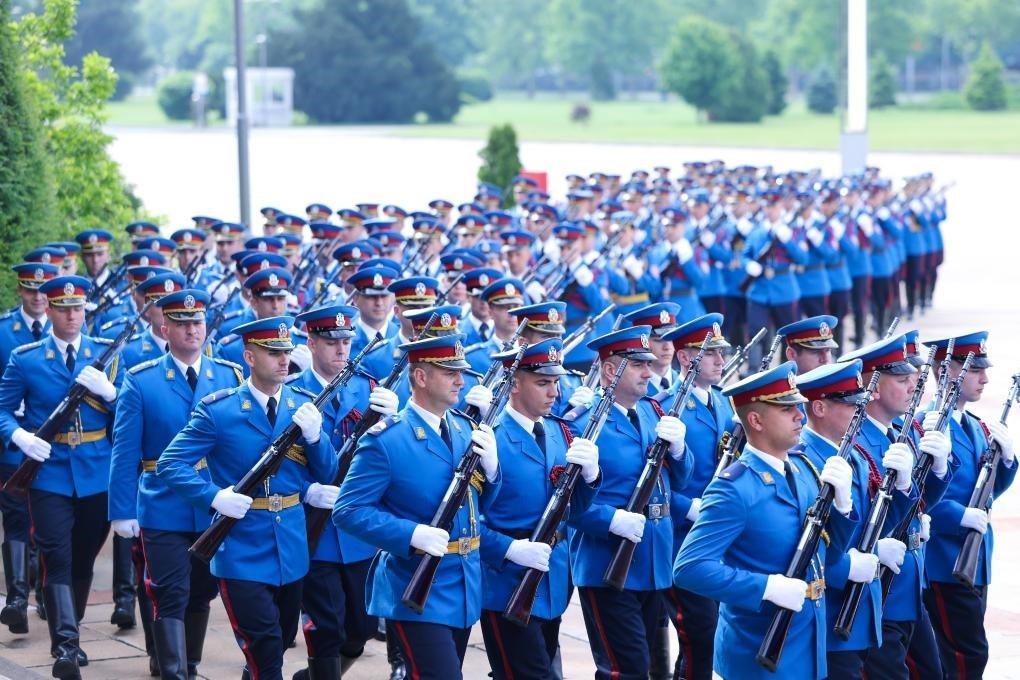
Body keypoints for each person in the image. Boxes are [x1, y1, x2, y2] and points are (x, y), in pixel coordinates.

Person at [157, 316, 337, 680]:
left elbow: (328, 472)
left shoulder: (303, 406)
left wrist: (316, 438)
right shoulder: (219, 410)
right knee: (265, 647)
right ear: (250, 357)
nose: (284, 360)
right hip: (240, 544)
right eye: (273, 353)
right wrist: (213, 496)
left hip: (290, 544)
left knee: (279, 641)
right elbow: (170, 464)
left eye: (286, 352)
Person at [673, 361, 858, 680]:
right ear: (756, 420)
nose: (800, 416)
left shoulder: (804, 471)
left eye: (798, 407)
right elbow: (690, 568)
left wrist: (843, 509)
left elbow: (827, 554)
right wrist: (766, 587)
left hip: (806, 644)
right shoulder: (734, 488)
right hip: (756, 651)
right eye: (787, 410)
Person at [334, 334, 502, 679]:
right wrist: (411, 534)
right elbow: (348, 511)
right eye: (450, 372)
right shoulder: (387, 440)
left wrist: (494, 473)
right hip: (414, 585)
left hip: (463, 582)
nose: (461, 381)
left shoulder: (465, 429)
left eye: (460, 372)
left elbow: (479, 504)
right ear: (421, 377)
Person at [108, 289, 243, 680]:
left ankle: (190, 664)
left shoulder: (229, 375)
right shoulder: (142, 380)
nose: (192, 330)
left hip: (212, 501)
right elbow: (125, 451)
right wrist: (122, 511)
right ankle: (174, 672)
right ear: (165, 329)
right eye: (182, 324)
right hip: (162, 502)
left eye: (197, 322)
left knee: (201, 592)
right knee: (170, 592)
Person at [0, 275, 123, 678]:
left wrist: (110, 393)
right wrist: (19, 436)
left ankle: (71, 628)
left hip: (97, 470)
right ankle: (66, 645)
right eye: (64, 308)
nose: (72, 316)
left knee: (84, 559)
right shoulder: (27, 358)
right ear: (50, 310)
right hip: (49, 471)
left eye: (78, 309)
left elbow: (131, 414)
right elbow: (2, 409)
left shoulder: (105, 353)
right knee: (57, 556)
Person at [566, 325, 692, 680]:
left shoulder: (653, 412)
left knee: (646, 665)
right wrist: (611, 520)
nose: (648, 372)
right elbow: (566, 503)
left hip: (653, 557)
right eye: (638, 365)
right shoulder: (583, 424)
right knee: (625, 670)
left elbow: (679, 480)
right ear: (610, 370)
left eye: (648, 364)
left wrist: (680, 451)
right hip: (608, 563)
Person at [288, 304, 400, 680]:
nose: (340, 349)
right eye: (330, 342)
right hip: (312, 528)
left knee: (360, 630)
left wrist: (394, 420)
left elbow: (388, 459)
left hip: (355, 532)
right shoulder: (292, 393)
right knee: (326, 628)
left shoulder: (367, 388)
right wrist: (307, 490)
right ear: (311, 343)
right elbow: (278, 466)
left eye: (346, 342)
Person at [479, 338, 601, 678]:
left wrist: (591, 478)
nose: (554, 392)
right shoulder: (491, 438)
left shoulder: (559, 432)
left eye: (556, 382)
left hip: (552, 577)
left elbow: (572, 511)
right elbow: (465, 521)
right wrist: (509, 549)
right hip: (507, 580)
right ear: (515, 384)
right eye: (543, 382)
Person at [794, 360, 918, 678]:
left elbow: (874, 523)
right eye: (851, 405)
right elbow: (803, 546)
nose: (859, 412)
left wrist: (904, 488)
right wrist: (855, 562)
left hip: (862, 610)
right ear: (819, 408)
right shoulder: (803, 461)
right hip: (831, 612)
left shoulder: (856, 457)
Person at [837, 335, 952, 678]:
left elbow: (919, 500)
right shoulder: (855, 443)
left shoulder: (903, 432)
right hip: (879, 591)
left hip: (910, 582)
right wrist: (872, 549)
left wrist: (940, 469)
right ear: (873, 388)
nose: (913, 385)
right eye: (902, 379)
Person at [921, 331, 1016, 679]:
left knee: (961, 655)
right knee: (967, 655)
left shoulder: (973, 425)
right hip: (944, 560)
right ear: (946, 369)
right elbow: (918, 496)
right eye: (975, 369)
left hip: (975, 557)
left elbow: (986, 491)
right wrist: (960, 516)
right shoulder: (927, 425)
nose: (984, 378)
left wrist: (1007, 461)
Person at [657, 313, 734, 680]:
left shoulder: (722, 403)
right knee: (699, 633)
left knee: (709, 637)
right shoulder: (666, 407)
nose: (721, 360)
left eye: (722, 352)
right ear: (685, 358)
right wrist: (689, 508)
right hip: (679, 540)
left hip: (719, 539)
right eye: (711, 353)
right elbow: (651, 484)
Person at [0, 262, 58, 634]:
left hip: (54, 448)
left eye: (43, 291)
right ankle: (18, 598)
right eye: (30, 289)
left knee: (49, 525)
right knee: (17, 518)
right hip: (14, 443)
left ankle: (46, 591)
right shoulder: (4, 331)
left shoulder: (66, 329)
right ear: (20, 290)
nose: (37, 296)